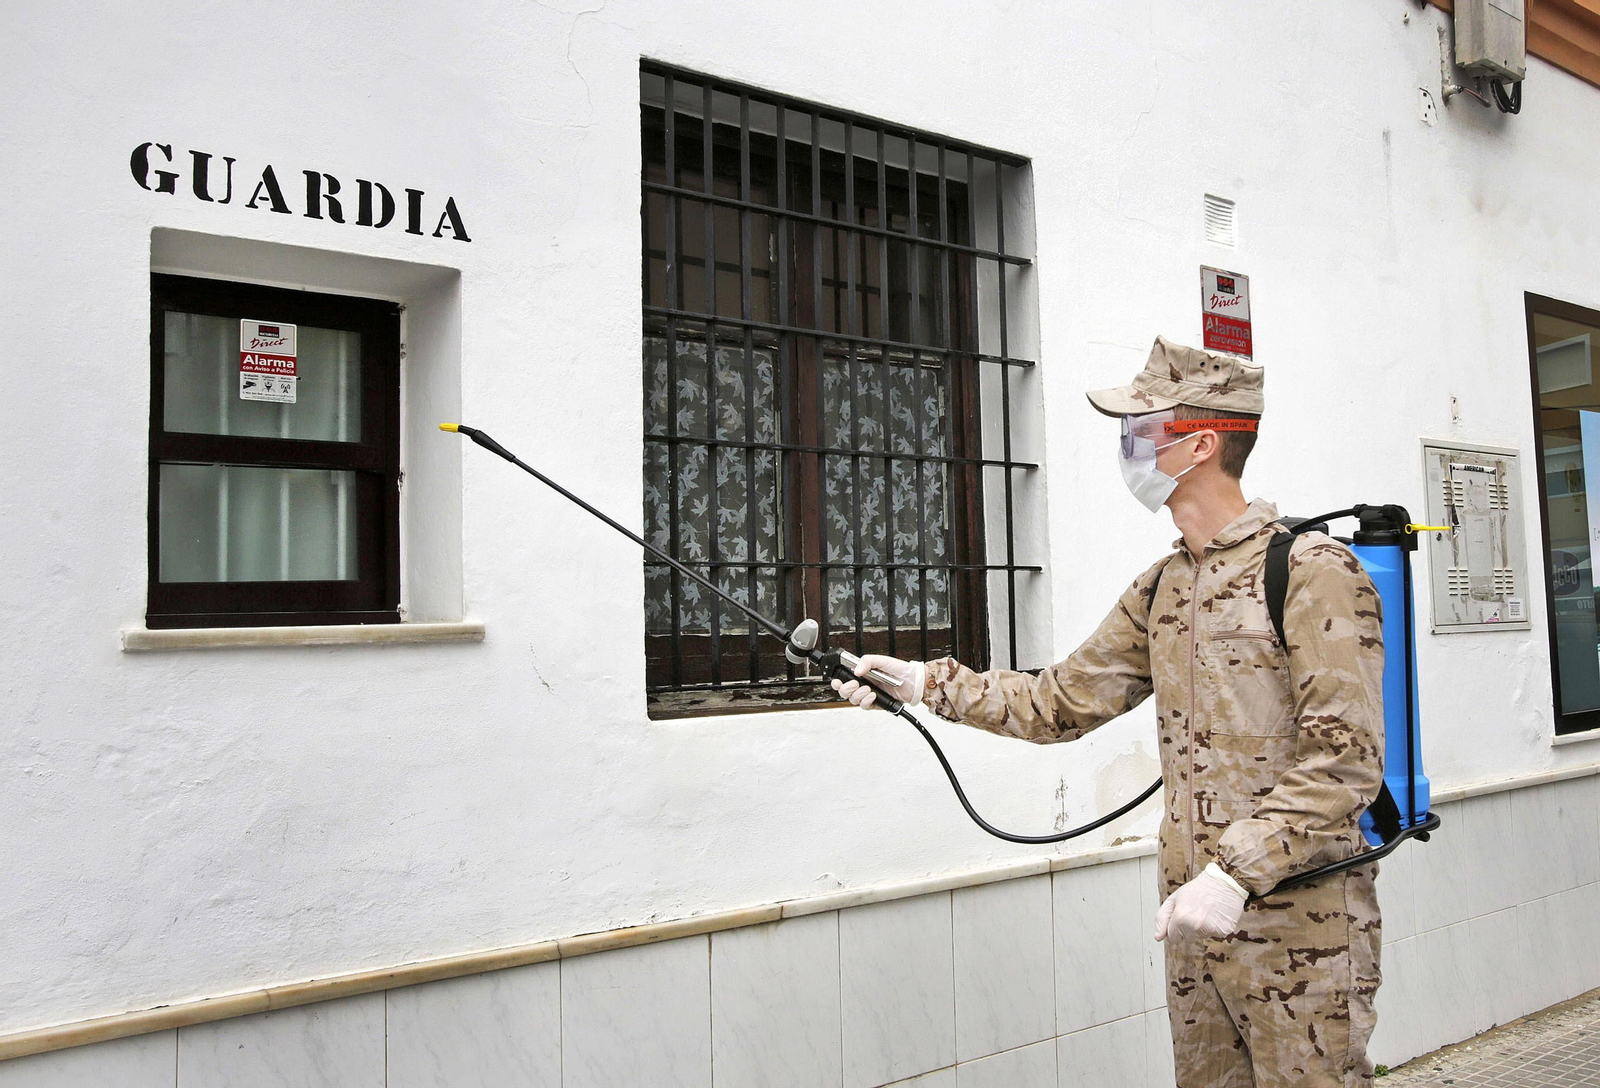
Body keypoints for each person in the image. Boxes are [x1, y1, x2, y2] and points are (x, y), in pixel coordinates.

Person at [833, 336, 1386, 1088]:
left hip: (1301, 935)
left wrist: (1233, 874)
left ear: (1200, 444)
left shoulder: (1312, 571)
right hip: (1194, 929)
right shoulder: (1164, 587)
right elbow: (1058, 701)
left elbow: (1345, 760)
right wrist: (926, 684)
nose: (1129, 445)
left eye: (1141, 427)